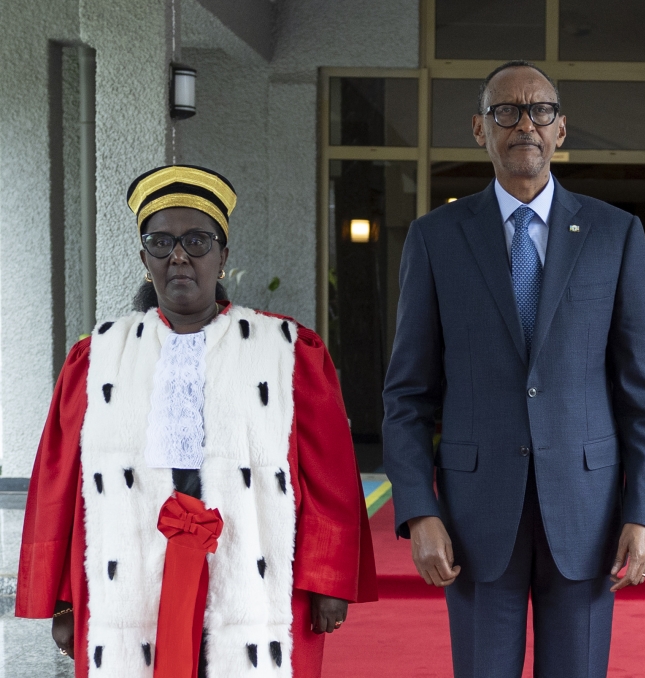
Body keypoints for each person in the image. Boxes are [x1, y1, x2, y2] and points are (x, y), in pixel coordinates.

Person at [16, 165, 377, 678]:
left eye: (196, 241)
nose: (179, 255)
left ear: (223, 257)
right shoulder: (95, 358)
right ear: (145, 259)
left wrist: (326, 580)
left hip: (251, 560)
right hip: (136, 566)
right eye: (161, 243)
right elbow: (60, 483)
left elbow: (330, 478)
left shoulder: (287, 352)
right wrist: (64, 599)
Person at [382, 60, 645, 678]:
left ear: (560, 129)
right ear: (479, 129)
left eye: (540, 111)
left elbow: (643, 391)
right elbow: (407, 394)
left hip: (587, 513)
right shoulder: (435, 238)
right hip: (475, 515)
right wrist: (418, 510)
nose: (525, 125)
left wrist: (643, 514)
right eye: (505, 111)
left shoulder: (615, 234)